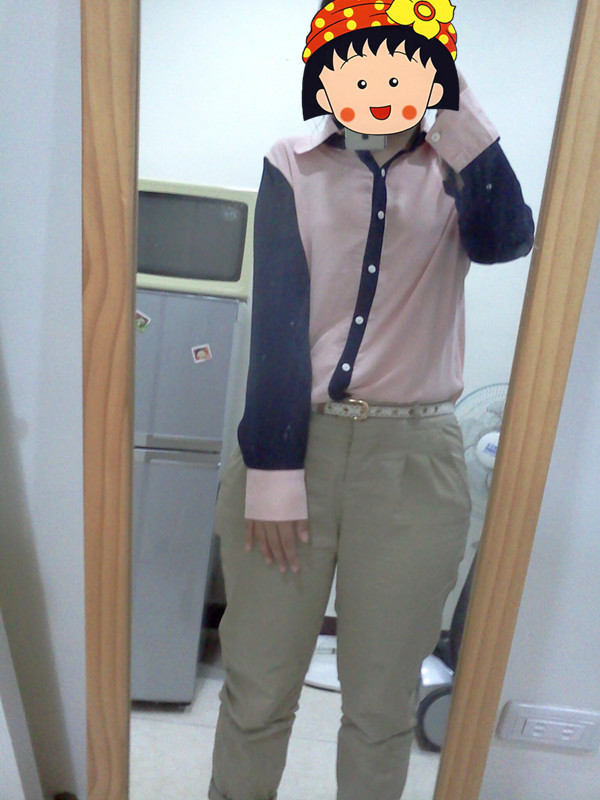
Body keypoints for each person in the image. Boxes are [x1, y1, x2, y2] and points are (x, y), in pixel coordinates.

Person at [209, 2, 534, 799]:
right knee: (256, 690)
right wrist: (274, 469)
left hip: (413, 462)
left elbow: (506, 240)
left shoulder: (460, 168)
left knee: (383, 708)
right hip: (294, 443)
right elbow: (279, 317)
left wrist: (461, 116)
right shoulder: (292, 162)